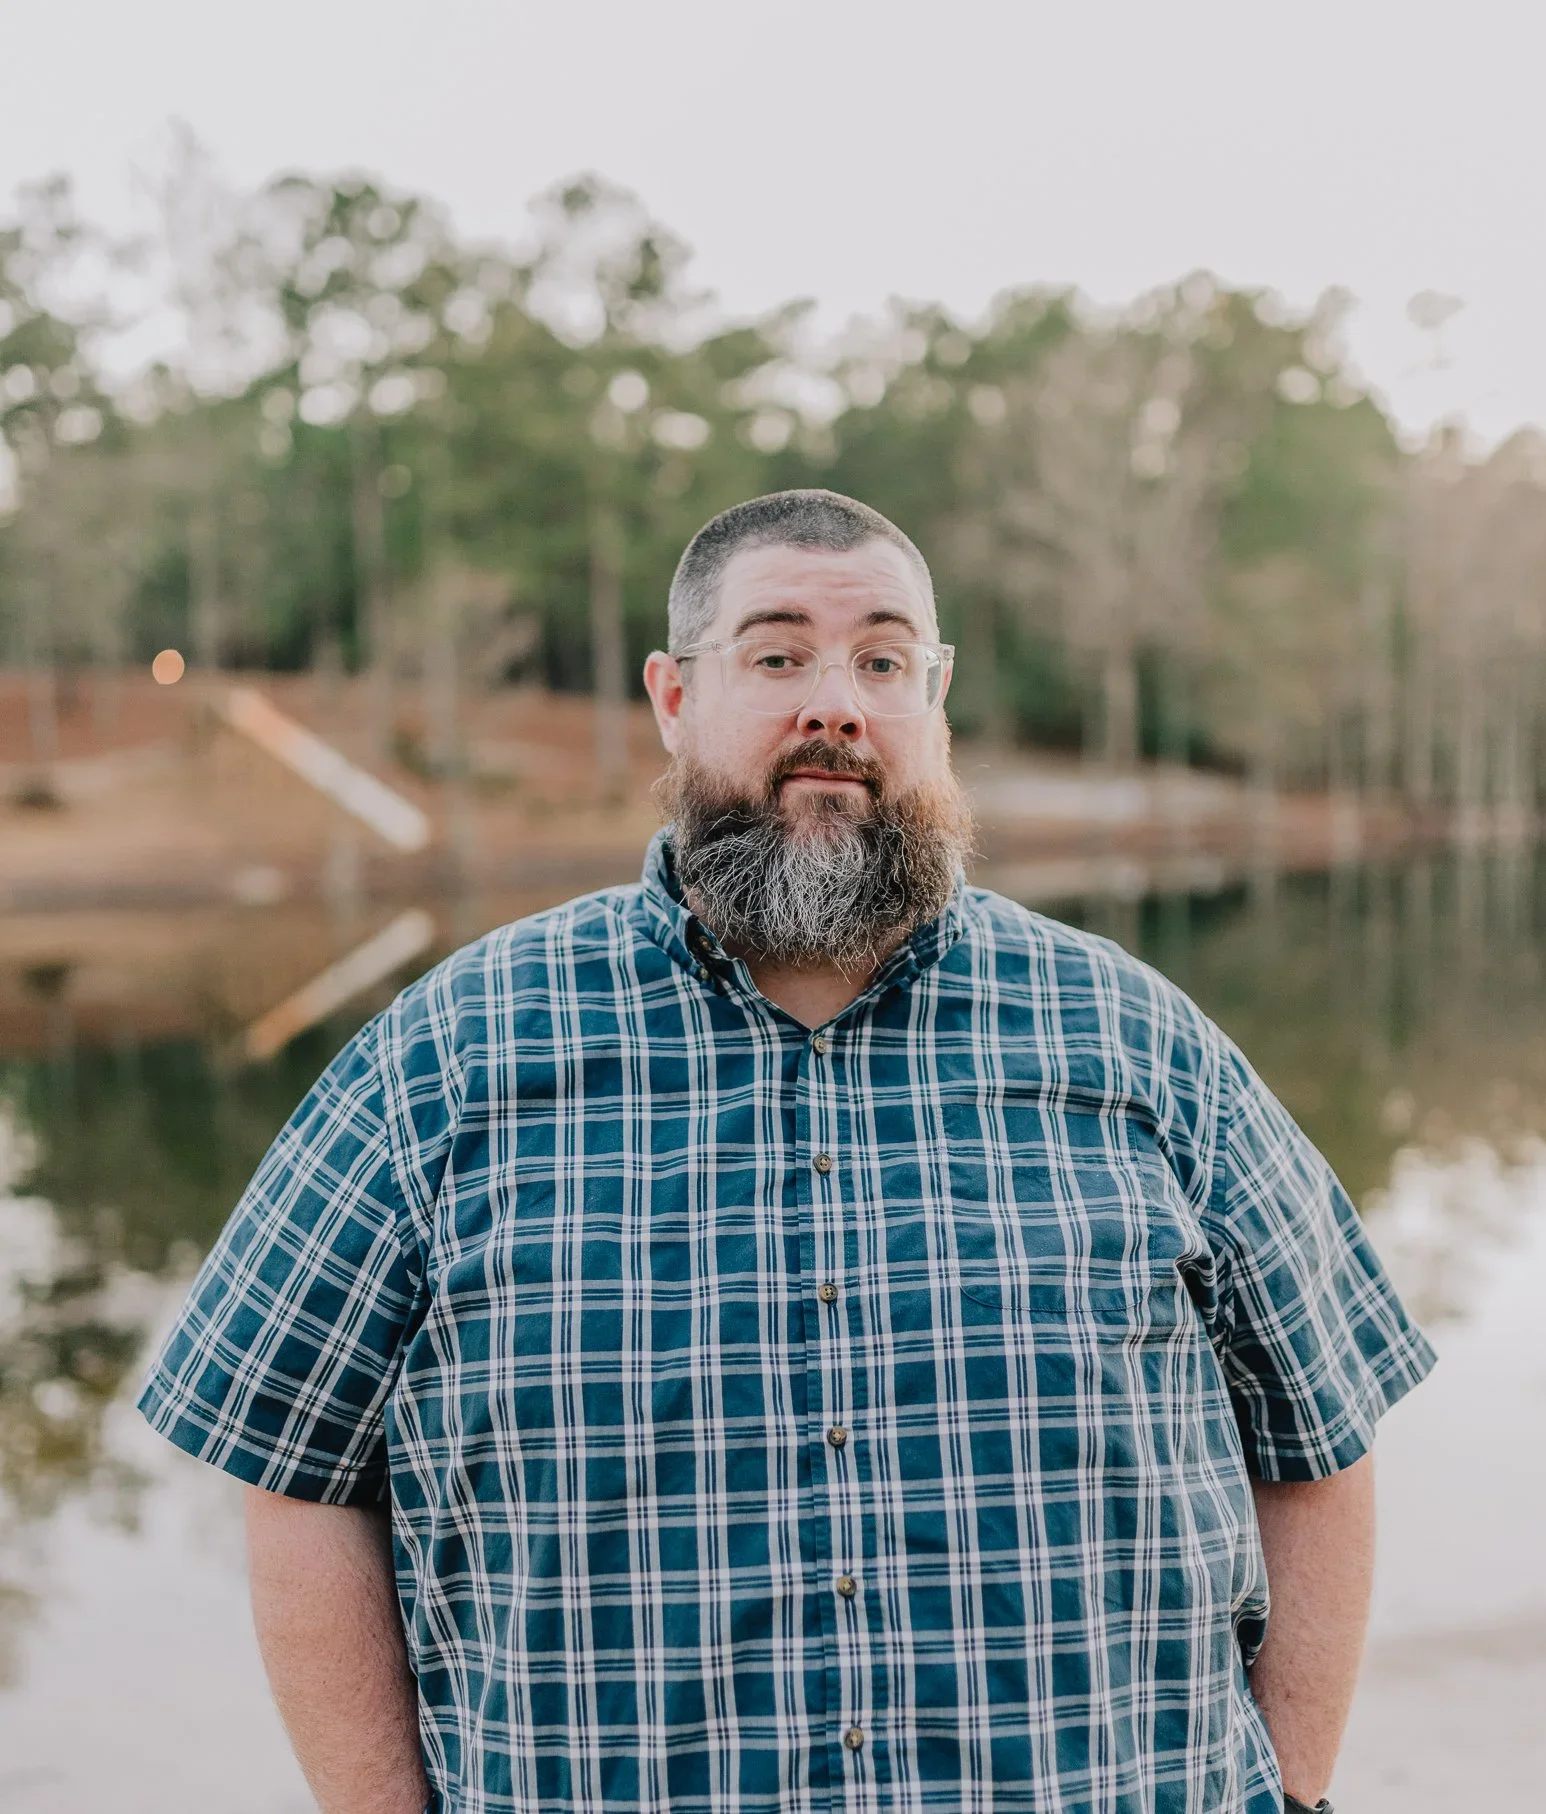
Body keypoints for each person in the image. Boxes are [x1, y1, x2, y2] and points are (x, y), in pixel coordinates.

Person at [139, 489, 1434, 1814]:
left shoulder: (1139, 1041)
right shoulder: (445, 1056)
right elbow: (295, 1475)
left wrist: (1293, 1796)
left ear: (933, 700)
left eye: (882, 660)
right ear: (673, 696)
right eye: (776, 656)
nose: (836, 705)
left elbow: (1319, 1440)